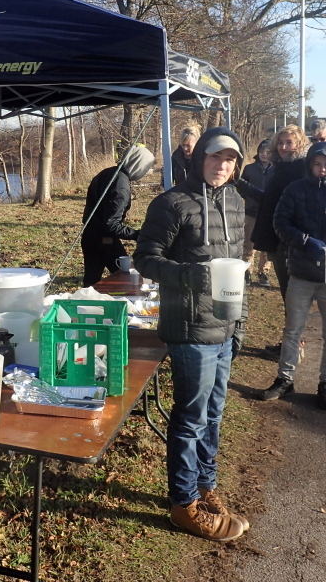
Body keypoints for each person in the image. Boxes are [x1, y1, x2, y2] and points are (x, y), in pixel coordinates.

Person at [133, 127, 249, 541]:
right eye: (216, 157)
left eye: (230, 159)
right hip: (189, 329)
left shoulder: (235, 201)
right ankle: (183, 505)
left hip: (224, 328)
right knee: (190, 419)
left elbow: (239, 269)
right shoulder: (171, 203)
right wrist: (188, 276)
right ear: (200, 157)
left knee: (214, 415)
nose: (222, 165)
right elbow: (145, 258)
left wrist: (241, 323)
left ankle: (205, 486)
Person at [258, 141, 326, 410]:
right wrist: (305, 241)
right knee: (293, 329)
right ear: (309, 165)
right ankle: (285, 379)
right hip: (301, 272)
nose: (321, 169)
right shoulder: (295, 190)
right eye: (316, 164)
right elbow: (280, 222)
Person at [80, 144, 155, 287]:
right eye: (145, 168)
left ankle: (84, 304)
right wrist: (137, 235)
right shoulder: (121, 186)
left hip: (89, 235)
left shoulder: (108, 172)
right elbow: (111, 225)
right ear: (138, 165)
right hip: (104, 241)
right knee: (126, 277)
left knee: (90, 281)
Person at [250, 125, 310, 299]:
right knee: (287, 288)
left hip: (289, 240)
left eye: (289, 143)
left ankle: (293, 323)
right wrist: (241, 185)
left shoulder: (301, 169)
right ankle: (291, 322)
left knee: (292, 290)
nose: (283, 147)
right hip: (275, 235)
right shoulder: (280, 167)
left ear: (299, 144)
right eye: (280, 143)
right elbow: (270, 199)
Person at [241, 138, 273, 285]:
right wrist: (250, 199)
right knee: (248, 242)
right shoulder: (249, 169)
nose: (264, 154)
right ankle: (247, 271)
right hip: (251, 212)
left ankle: (264, 272)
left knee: (266, 246)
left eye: (267, 152)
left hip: (269, 213)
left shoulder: (277, 169)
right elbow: (241, 186)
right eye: (261, 152)